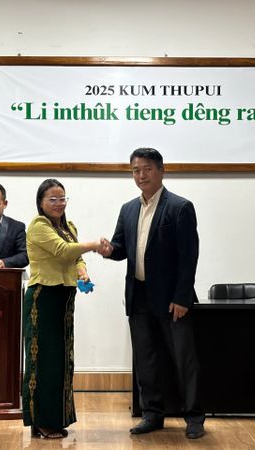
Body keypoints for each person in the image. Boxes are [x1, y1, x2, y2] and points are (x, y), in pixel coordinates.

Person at [98, 148, 205, 439]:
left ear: (161, 170)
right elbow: (121, 248)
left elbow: (189, 257)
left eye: (147, 169)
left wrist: (182, 297)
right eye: (135, 170)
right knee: (145, 360)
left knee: (184, 360)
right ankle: (152, 414)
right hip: (139, 295)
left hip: (172, 299)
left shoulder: (180, 207)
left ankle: (194, 417)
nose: (141, 175)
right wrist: (108, 250)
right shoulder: (128, 209)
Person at [22, 178, 102, 439]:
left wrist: (83, 271)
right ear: (41, 202)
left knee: (62, 360)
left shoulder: (69, 226)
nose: (59, 204)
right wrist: (95, 244)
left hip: (65, 298)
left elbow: (75, 257)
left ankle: (56, 419)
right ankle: (41, 421)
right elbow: (63, 251)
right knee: (43, 361)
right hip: (43, 298)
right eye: (52, 199)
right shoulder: (38, 225)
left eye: (62, 198)